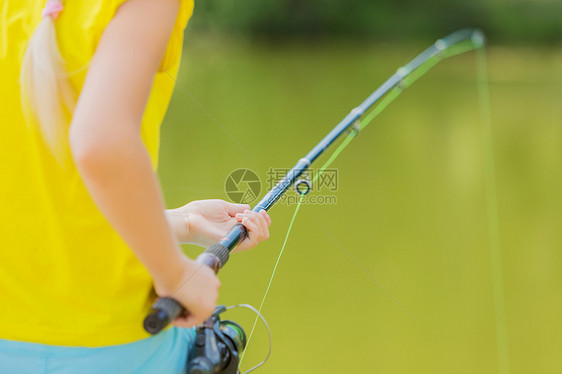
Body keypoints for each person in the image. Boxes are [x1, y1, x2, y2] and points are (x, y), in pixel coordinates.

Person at [0, 0, 271, 373]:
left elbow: (39, 200)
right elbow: (101, 142)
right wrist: (175, 274)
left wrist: (185, 221)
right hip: (114, 341)